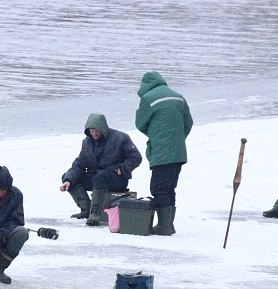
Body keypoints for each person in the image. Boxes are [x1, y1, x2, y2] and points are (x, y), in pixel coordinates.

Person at [135, 71, 193, 235]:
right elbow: (188, 123)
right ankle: (168, 224)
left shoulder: (148, 99)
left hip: (161, 151)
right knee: (169, 188)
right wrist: (177, 138)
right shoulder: (179, 97)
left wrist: (157, 135)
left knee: (159, 188)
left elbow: (140, 123)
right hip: (179, 152)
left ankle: (164, 226)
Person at [59, 113, 142, 226]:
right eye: (91, 131)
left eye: (96, 131)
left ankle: (95, 213)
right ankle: (86, 210)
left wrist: (122, 169)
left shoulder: (121, 138)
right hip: (96, 177)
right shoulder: (87, 143)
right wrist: (68, 180)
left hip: (116, 178)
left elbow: (136, 157)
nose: (94, 134)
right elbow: (79, 164)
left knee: (101, 177)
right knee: (70, 178)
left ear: (103, 128)